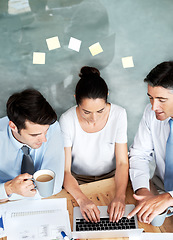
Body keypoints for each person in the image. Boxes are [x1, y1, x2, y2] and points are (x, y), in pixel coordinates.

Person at [59, 66, 129, 223]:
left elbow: (123, 163)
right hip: (78, 182)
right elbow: (65, 171)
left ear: (107, 97)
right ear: (76, 98)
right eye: (86, 112)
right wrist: (82, 200)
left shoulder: (119, 114)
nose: (93, 119)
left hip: (113, 178)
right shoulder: (66, 120)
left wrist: (120, 196)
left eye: (100, 111)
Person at [128, 61, 173, 224]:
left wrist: (170, 198)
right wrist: (143, 190)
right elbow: (139, 155)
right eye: (151, 98)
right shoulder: (151, 113)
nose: (154, 107)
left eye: (161, 99)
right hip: (158, 188)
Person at [0, 88, 64, 201]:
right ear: (13, 127)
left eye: (46, 131)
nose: (44, 139)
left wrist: (7, 194)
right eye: (35, 135)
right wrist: (9, 188)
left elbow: (54, 186)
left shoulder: (53, 127)